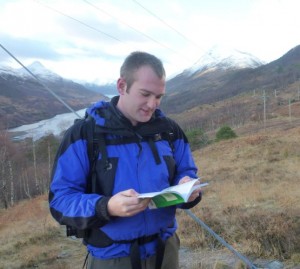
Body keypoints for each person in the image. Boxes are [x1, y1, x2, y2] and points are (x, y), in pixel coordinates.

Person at [49, 51, 202, 269]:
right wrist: (106, 206)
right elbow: (60, 201)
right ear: (122, 86)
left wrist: (187, 188)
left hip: (165, 250)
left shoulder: (169, 131)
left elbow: (186, 171)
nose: (152, 104)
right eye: (145, 94)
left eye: (158, 97)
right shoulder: (85, 135)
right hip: (112, 257)